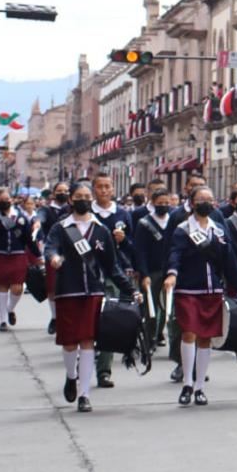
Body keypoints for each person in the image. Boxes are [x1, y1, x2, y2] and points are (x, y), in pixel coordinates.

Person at [44, 182, 140, 413]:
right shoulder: (61, 227)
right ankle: (71, 375)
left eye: (87, 196)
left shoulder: (101, 230)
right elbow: (50, 248)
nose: (83, 199)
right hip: (68, 291)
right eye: (79, 196)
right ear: (71, 200)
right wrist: (54, 258)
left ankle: (84, 394)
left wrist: (130, 290)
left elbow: (112, 266)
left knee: (88, 341)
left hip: (94, 292)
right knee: (69, 343)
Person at [163, 187, 237, 407]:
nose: (206, 203)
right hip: (188, 290)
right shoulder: (182, 230)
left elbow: (229, 261)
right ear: (191, 203)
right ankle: (187, 383)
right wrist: (172, 275)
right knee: (189, 333)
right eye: (201, 200)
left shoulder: (219, 230)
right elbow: (175, 254)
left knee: (205, 338)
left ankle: (200, 386)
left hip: (212, 291)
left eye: (209, 200)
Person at [90, 173, 133, 389]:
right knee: (90, 319)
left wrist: (124, 241)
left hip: (114, 274)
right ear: (94, 190)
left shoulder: (123, 214)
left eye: (108, 186)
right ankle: (85, 355)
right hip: (89, 273)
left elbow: (132, 246)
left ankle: (104, 371)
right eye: (100, 186)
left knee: (109, 319)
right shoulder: (88, 214)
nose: (104, 190)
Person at [0, 187, 38, 331]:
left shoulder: (20, 217)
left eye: (7, 199)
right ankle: (3, 321)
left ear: (11, 200)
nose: (5, 202)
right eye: (2, 200)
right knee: (2, 286)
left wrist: (38, 255)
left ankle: (10, 309)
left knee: (17, 287)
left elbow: (28, 240)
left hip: (18, 255)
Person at [133, 189, 174, 346]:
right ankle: (149, 339)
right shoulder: (144, 223)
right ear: (153, 202)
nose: (163, 206)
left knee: (166, 307)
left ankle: (159, 334)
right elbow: (140, 251)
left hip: (169, 271)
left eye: (166, 203)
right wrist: (144, 274)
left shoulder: (173, 221)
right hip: (152, 271)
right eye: (160, 203)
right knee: (151, 308)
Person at [39, 183, 70, 334]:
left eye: (65, 191)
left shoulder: (72, 209)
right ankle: (55, 317)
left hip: (70, 253)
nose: (62, 193)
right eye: (59, 191)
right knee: (52, 287)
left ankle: (66, 318)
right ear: (53, 193)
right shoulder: (46, 209)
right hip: (52, 252)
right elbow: (40, 218)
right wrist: (37, 223)